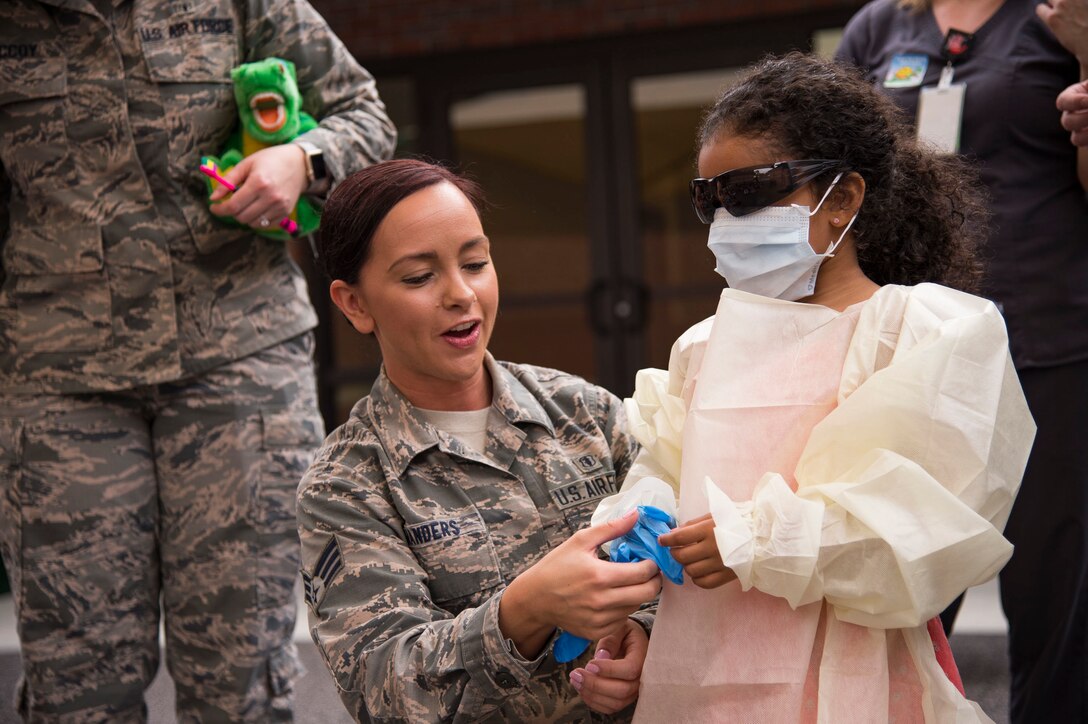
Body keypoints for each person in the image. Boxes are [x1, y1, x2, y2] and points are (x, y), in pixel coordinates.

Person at [574, 52, 1035, 721]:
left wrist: (760, 542)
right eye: (711, 199)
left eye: (751, 191)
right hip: (696, 673)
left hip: (854, 679)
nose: (728, 218)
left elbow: (929, 525)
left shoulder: (924, 333)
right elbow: (660, 466)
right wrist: (635, 536)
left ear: (843, 197)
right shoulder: (703, 347)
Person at [0, 1, 395, 721]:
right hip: (60, 380)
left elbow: (364, 115)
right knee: (76, 687)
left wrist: (300, 158)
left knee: (240, 678)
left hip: (236, 363)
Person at [295, 158, 662, 722]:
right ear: (354, 303)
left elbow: (683, 561)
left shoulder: (585, 413)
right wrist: (523, 611)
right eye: (420, 277)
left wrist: (641, 634)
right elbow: (385, 691)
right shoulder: (347, 484)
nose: (461, 293)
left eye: (475, 262)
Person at [836, 0, 1088, 718]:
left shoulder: (1062, 16)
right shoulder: (880, 28)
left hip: (1050, 338)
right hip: (921, 358)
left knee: (1057, 594)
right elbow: (845, 182)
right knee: (905, 583)